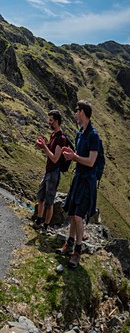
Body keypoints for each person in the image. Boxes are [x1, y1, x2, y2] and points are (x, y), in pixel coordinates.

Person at [60, 101, 101, 268]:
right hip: (78, 178)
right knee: (72, 212)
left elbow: (91, 162)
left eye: (76, 111)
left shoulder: (93, 135)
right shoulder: (80, 133)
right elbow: (79, 156)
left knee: (78, 216)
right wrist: (72, 154)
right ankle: (69, 244)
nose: (75, 114)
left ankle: (77, 251)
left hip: (87, 180)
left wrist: (74, 157)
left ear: (82, 112)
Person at [33, 110, 68, 233]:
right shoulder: (53, 135)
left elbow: (55, 158)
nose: (49, 122)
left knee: (49, 202)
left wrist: (44, 147)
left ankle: (46, 226)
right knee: (41, 197)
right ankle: (38, 221)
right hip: (48, 171)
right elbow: (49, 150)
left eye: (51, 120)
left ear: (56, 121)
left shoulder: (61, 138)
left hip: (54, 172)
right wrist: (42, 144)